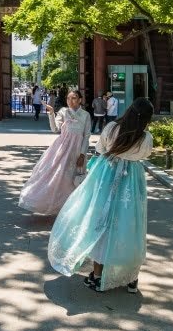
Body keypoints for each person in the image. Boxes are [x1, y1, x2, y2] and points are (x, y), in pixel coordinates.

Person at [48, 97, 154, 294]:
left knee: (101, 222)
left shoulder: (112, 128)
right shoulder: (146, 137)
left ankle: (97, 276)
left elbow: (100, 149)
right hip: (132, 181)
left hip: (107, 175)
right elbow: (144, 155)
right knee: (131, 225)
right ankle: (131, 278)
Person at [18, 89, 92, 216]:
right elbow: (54, 129)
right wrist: (51, 113)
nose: (70, 101)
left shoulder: (85, 115)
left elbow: (86, 136)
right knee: (58, 177)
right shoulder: (63, 112)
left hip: (77, 151)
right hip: (62, 150)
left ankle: (72, 209)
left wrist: (82, 154)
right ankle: (56, 206)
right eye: (68, 98)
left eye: (74, 98)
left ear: (80, 100)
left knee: (73, 179)